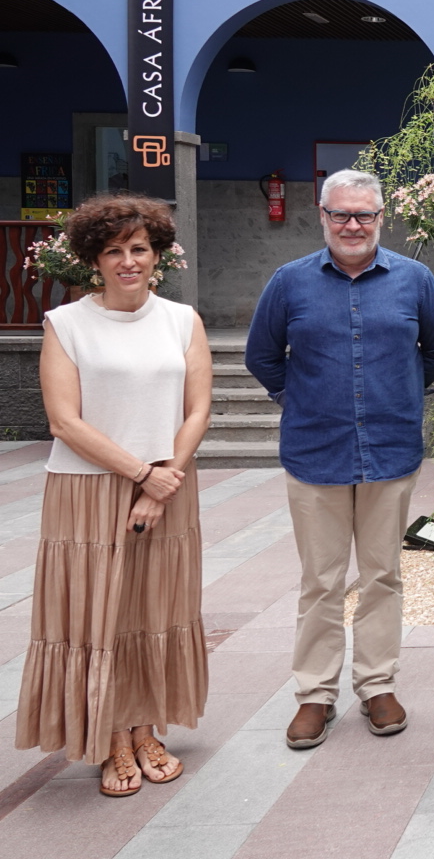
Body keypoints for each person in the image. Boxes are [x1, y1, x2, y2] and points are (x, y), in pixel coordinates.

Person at [246, 168, 434, 749]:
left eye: (365, 214)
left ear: (382, 218)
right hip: (315, 453)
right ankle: (315, 695)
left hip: (390, 451)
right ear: (323, 216)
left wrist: (405, 394)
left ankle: (377, 684)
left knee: (384, 575)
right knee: (321, 582)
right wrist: (299, 397)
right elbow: (262, 355)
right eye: (341, 214)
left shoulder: (414, 280)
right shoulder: (289, 283)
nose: (353, 224)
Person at [16, 195, 211, 797]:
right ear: (93, 260)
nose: (128, 261)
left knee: (154, 611)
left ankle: (145, 727)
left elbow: (198, 409)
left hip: (169, 485)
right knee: (96, 612)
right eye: (114, 252)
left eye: (139, 249)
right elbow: (64, 422)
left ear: (157, 255)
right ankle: (109, 737)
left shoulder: (183, 321)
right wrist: (140, 475)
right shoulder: (66, 325)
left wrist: (161, 482)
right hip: (86, 490)